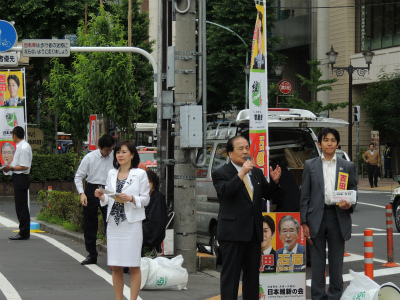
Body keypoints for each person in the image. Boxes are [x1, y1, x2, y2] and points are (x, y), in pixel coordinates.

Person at [212, 136, 281, 300]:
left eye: (247, 148)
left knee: (252, 278)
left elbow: (267, 195)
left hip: (253, 233)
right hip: (233, 233)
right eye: (240, 148)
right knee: (231, 277)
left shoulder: (256, 172)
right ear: (230, 153)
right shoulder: (221, 172)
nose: (245, 152)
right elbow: (226, 192)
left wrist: (275, 182)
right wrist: (242, 172)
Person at [300, 127, 356, 300]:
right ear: (320, 144)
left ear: (337, 144)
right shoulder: (311, 165)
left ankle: (334, 296)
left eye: (333, 140)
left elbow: (352, 188)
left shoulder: (347, 166)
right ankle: (318, 296)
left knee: (336, 262)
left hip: (338, 216)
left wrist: (350, 204)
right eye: (326, 140)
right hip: (316, 217)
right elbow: (305, 196)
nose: (329, 143)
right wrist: (304, 222)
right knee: (317, 263)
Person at [94, 140, 150, 300]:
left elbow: (146, 199)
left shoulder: (140, 174)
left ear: (132, 155)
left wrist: (131, 198)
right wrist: (102, 195)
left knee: (133, 265)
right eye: (118, 152)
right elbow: (107, 199)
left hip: (131, 225)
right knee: (116, 266)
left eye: (124, 152)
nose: (120, 155)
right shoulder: (112, 173)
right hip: (114, 224)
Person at [74, 134, 114, 265]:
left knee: (110, 222)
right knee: (90, 222)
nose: (109, 152)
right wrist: (82, 193)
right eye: (106, 150)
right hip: (91, 189)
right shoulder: (89, 158)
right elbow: (79, 176)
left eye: (110, 149)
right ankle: (92, 254)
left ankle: (114, 256)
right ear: (100, 148)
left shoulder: (114, 157)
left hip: (107, 190)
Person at [4, 126, 32, 240]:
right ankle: (23, 231)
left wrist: (11, 168)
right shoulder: (21, 146)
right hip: (19, 177)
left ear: (14, 135)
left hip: (21, 177)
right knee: (21, 205)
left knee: (21, 206)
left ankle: (24, 232)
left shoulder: (24, 147)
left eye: (12, 135)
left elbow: (24, 166)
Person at [142, 170, 167, 251]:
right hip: (144, 226)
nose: (146, 185)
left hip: (153, 230)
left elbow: (155, 219)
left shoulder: (157, 196)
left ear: (153, 183)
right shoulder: (143, 196)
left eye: (148, 182)